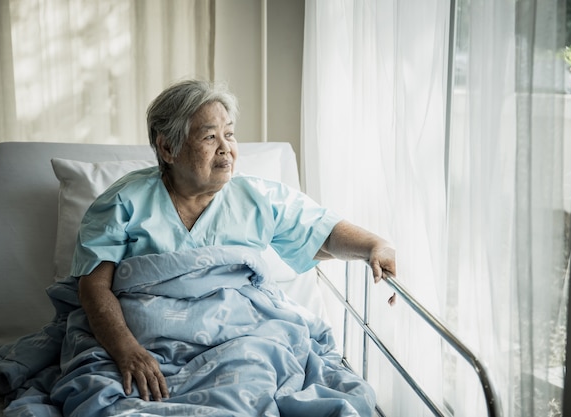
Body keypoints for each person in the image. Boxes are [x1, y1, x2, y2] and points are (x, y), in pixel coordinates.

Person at [73, 79, 397, 405]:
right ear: (167, 148)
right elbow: (94, 287)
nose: (225, 147)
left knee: (250, 384)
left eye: (229, 134)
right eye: (210, 137)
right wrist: (128, 351)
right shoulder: (123, 202)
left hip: (241, 339)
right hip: (146, 343)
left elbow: (322, 233)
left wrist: (374, 246)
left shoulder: (255, 197)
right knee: (105, 396)